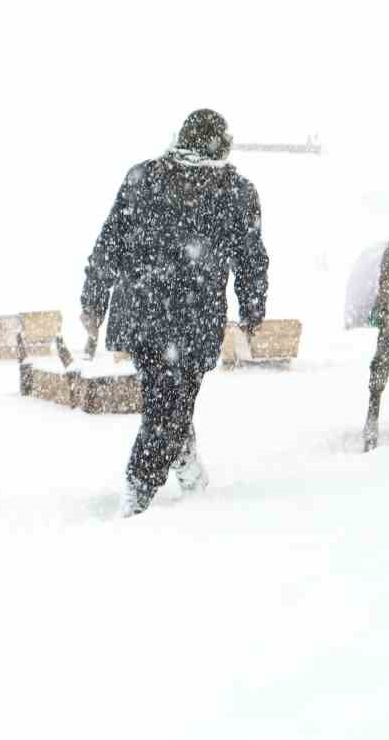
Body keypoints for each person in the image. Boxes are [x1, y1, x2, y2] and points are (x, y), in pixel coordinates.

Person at [80, 109, 270, 517]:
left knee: (169, 399)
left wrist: (95, 299)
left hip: (159, 315)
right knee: (169, 402)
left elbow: (107, 245)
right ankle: (139, 493)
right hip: (180, 318)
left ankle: (184, 464)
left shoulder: (147, 179)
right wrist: (252, 306)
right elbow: (111, 241)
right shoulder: (231, 191)